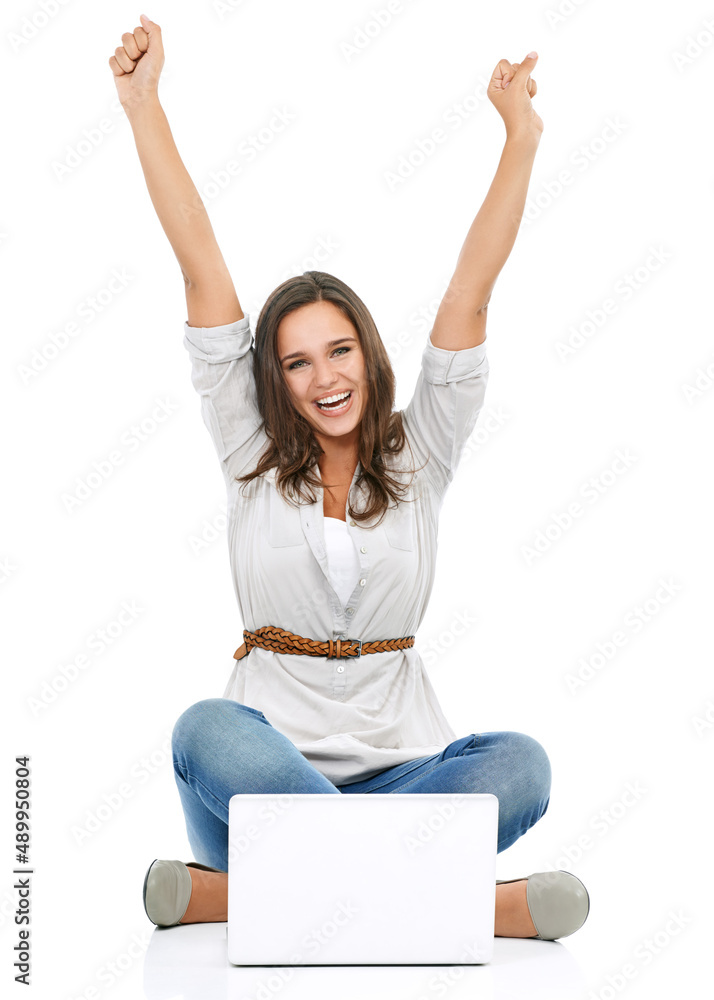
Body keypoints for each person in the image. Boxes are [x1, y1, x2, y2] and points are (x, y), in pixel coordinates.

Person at [110, 16, 589, 942]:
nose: (324, 379)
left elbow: (470, 294)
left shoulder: (422, 454)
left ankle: (247, 897)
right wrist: (142, 107)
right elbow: (200, 263)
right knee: (202, 729)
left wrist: (521, 136)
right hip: (262, 775)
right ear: (272, 382)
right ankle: (455, 905)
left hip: (405, 775)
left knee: (520, 765)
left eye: (339, 353)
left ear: (369, 357)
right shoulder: (251, 453)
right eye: (296, 364)